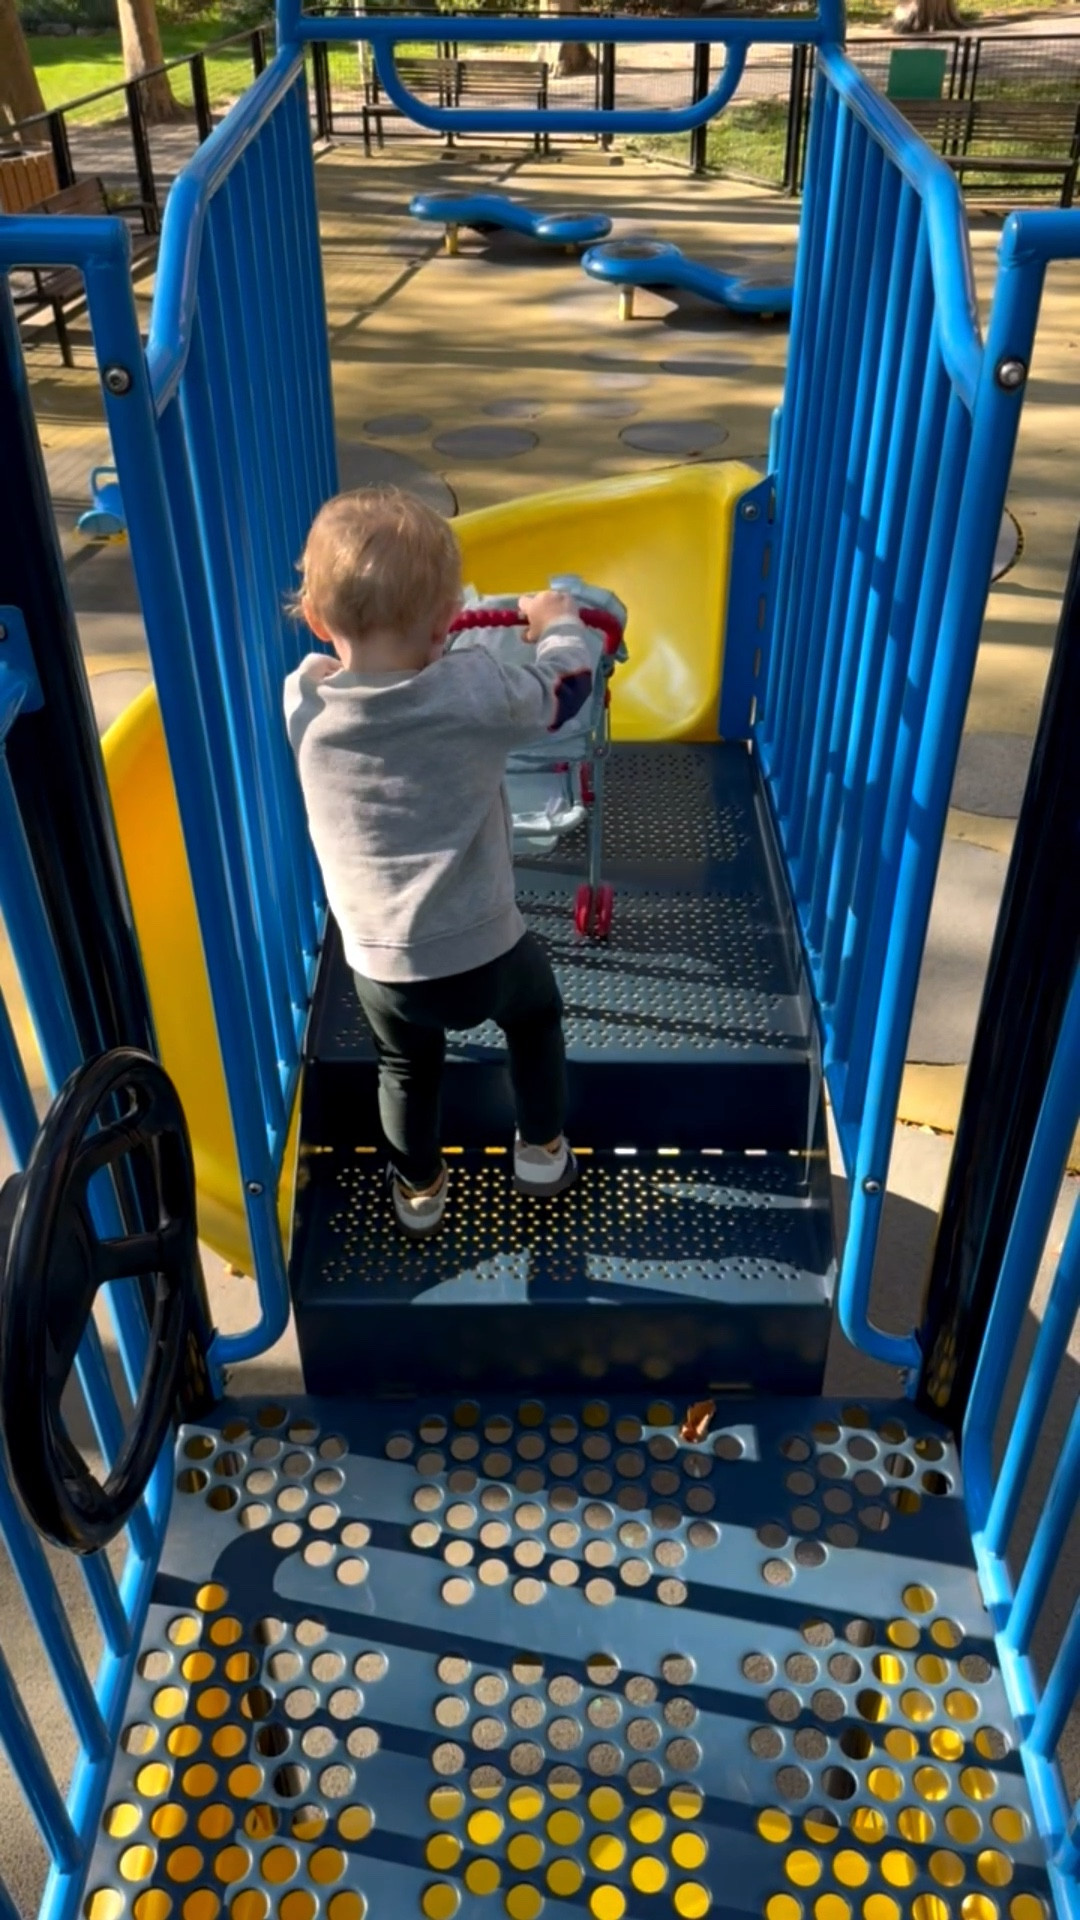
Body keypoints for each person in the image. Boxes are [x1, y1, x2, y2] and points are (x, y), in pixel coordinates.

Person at [284, 486, 594, 1239]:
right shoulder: (471, 688)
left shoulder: (306, 704)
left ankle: (419, 1188)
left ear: (318, 620)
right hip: (486, 949)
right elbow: (565, 693)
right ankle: (542, 1151)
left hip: (380, 963)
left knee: (406, 1068)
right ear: (445, 626)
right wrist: (559, 623)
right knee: (535, 1019)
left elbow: (331, 669)